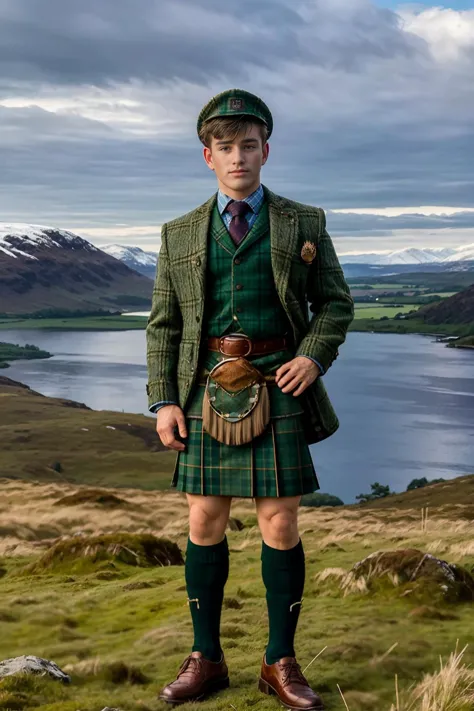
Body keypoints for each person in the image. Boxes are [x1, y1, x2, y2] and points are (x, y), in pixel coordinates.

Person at [146, 88, 354, 709]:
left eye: (248, 145)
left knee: (281, 523)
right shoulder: (179, 232)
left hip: (278, 382)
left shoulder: (304, 222)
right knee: (203, 521)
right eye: (225, 147)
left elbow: (337, 303)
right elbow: (164, 325)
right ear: (206, 155)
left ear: (266, 150)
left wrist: (312, 356)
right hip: (206, 387)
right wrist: (164, 400)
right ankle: (205, 659)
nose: (238, 157)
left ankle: (279, 662)